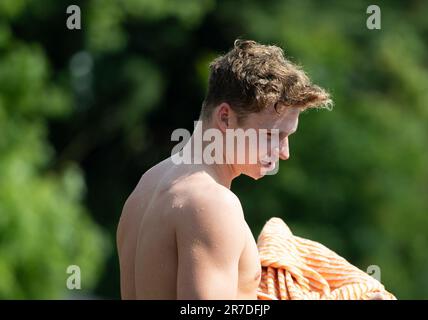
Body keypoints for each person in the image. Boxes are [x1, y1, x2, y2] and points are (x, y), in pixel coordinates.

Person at [116, 39, 332, 299]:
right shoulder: (213, 203)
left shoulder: (147, 185)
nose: (284, 152)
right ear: (225, 118)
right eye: (272, 135)